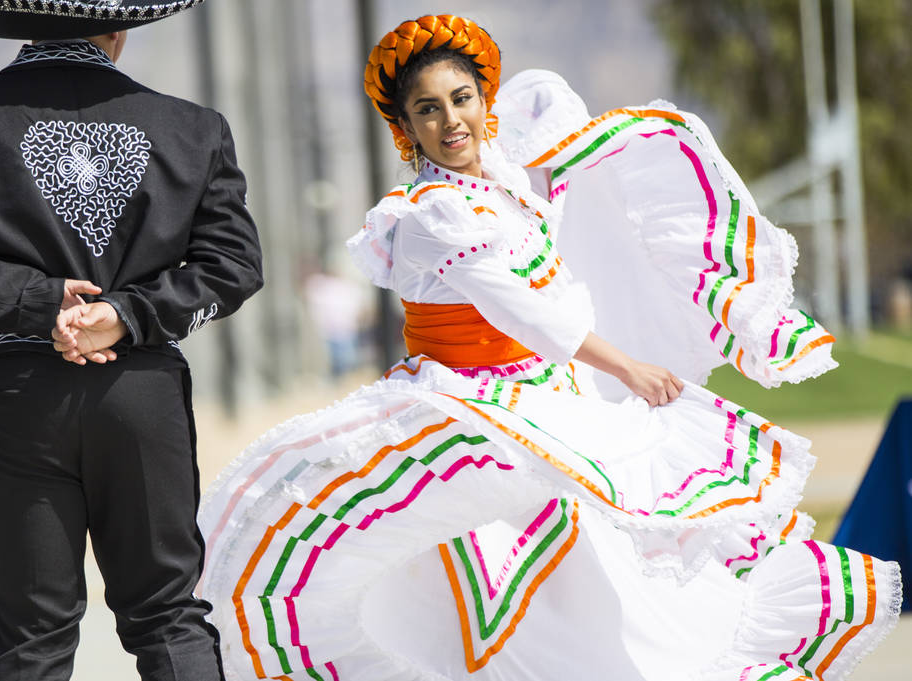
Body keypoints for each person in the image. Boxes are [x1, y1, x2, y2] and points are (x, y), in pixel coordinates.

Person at [190, 15, 900, 681]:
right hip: (472, 414)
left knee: (590, 573)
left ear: (482, 101)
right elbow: (525, 313)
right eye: (427, 109)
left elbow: (543, 108)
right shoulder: (432, 213)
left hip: (543, 403)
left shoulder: (496, 184)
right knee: (500, 584)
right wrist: (627, 365)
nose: (450, 121)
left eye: (461, 98)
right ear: (404, 128)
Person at [0, 2, 262, 680]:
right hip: (141, 396)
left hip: (14, 396)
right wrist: (125, 315)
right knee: (168, 616)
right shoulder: (195, 129)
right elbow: (235, 267)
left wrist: (34, 303)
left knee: (34, 638)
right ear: (119, 29)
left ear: (24, 25)